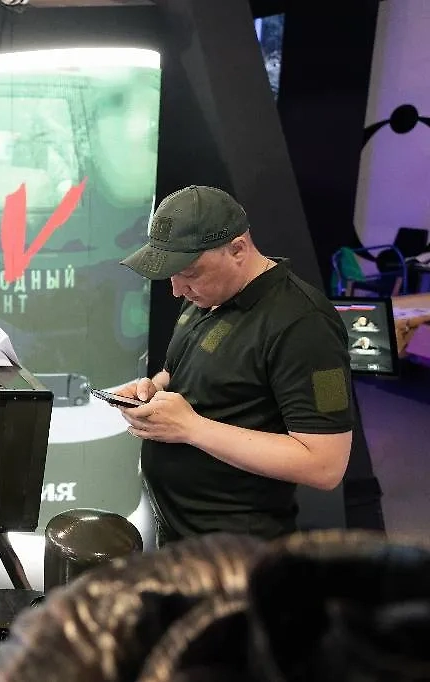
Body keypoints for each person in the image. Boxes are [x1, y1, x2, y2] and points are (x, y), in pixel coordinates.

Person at [114, 185, 353, 545]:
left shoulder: (306, 326)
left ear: (238, 249)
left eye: (189, 272)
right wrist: (153, 390)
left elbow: (325, 465)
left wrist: (191, 428)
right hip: (178, 532)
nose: (177, 290)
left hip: (236, 547)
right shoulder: (208, 294)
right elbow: (181, 374)